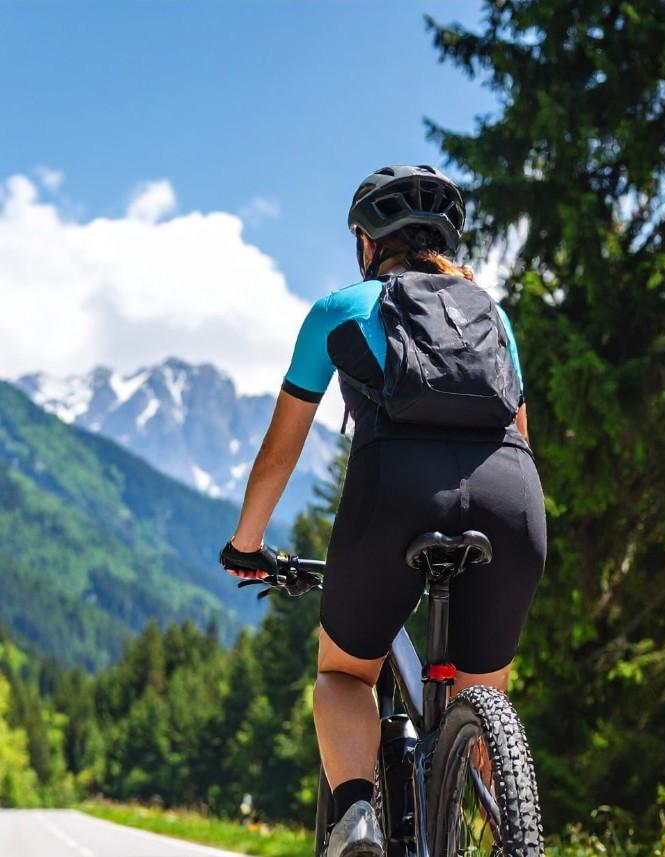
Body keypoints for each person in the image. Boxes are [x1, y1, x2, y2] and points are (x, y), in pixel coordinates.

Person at [220, 165, 547, 857]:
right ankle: (499, 821)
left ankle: (357, 817)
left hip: (393, 490)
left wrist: (246, 545)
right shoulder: (493, 315)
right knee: (483, 690)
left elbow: (281, 451)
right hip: (511, 497)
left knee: (343, 672)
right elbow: (518, 435)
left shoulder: (341, 308)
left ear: (366, 244)